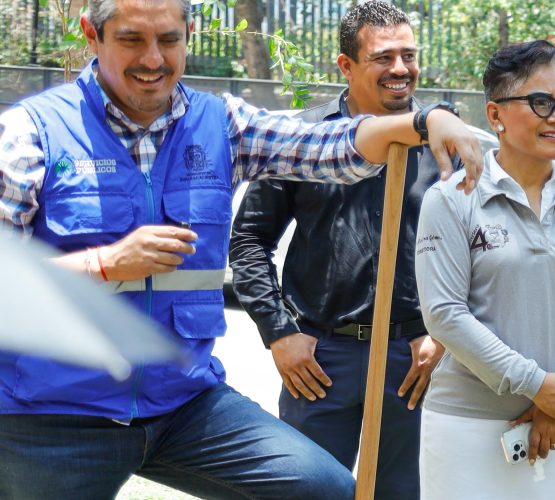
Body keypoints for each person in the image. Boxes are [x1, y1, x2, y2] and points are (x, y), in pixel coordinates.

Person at [0, 0, 485, 497]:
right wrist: (102, 264)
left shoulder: (222, 123)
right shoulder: (32, 131)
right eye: (131, 40)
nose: (153, 59)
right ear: (91, 34)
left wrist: (425, 121)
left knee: (323, 488)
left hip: (184, 405)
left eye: (168, 40)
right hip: (53, 413)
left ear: (189, 33)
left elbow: (327, 146)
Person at [228, 3, 488, 497]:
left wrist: (444, 334)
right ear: (346, 66)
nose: (400, 68)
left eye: (408, 55)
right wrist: (280, 332)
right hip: (321, 361)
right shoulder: (302, 140)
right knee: (308, 490)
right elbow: (249, 241)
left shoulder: (447, 144)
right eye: (383, 57)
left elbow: (480, 248)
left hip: (413, 360)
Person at [412, 39, 555, 499]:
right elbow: (445, 314)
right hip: (468, 426)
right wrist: (537, 386)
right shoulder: (450, 200)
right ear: (496, 115)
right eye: (541, 102)